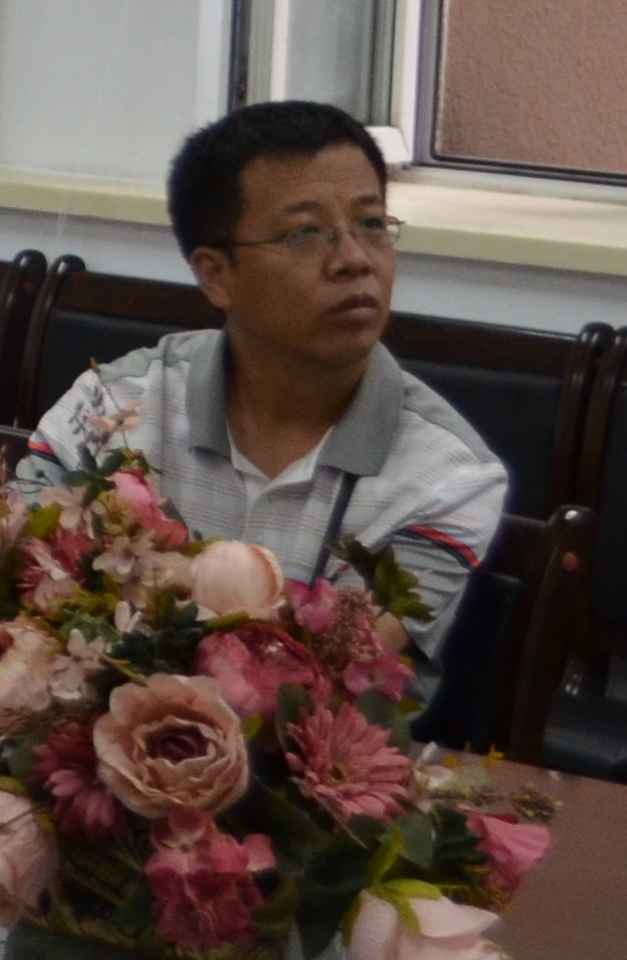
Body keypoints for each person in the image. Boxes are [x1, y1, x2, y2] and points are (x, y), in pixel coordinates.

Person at [25, 101, 505, 638]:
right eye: (305, 233)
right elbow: (12, 575)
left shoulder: (447, 477)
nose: (355, 259)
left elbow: (342, 660)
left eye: (371, 224)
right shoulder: (113, 406)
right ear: (216, 275)